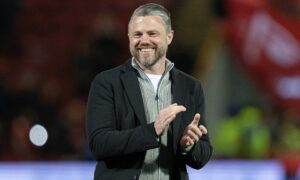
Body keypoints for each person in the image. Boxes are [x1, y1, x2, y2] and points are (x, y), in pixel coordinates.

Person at [86, 3, 213, 180]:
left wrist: (188, 146)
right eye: (137, 34)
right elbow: (99, 144)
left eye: (152, 33)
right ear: (129, 37)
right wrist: (152, 131)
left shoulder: (191, 86)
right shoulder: (107, 83)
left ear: (169, 37)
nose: (144, 40)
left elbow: (203, 155)